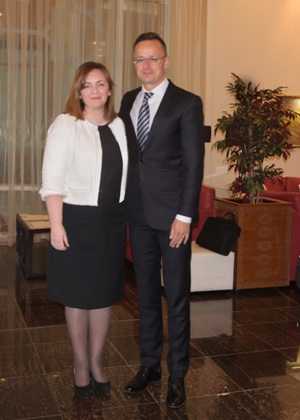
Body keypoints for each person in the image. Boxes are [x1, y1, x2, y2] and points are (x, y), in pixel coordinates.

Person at [118, 32, 204, 408]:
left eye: (153, 58)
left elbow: (193, 165)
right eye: (140, 59)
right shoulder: (128, 101)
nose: (147, 65)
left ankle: (178, 374)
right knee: (146, 294)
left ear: (166, 61)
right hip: (137, 213)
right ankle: (150, 364)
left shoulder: (187, 102)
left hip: (173, 219)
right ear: (134, 64)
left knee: (177, 296)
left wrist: (184, 215)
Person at [39, 62, 128, 399]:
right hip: (76, 220)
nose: (94, 90)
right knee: (77, 296)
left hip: (111, 221)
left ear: (110, 89)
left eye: (101, 84)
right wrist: (56, 224)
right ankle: (79, 364)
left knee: (103, 296)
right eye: (87, 85)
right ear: (78, 92)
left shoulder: (119, 125)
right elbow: (52, 180)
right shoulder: (66, 124)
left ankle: (96, 362)